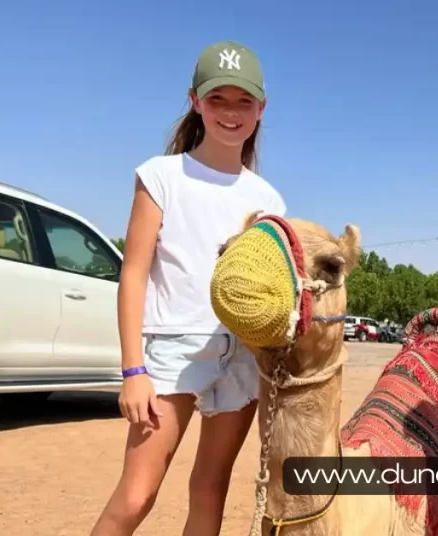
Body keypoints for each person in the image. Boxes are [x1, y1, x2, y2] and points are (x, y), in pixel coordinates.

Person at [91, 40, 286, 536]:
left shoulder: (267, 199)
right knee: (137, 496)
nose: (231, 112)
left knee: (210, 489)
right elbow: (133, 272)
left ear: (261, 109)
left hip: (242, 356)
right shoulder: (161, 176)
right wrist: (133, 369)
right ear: (195, 100)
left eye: (244, 101)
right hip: (171, 352)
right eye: (218, 98)